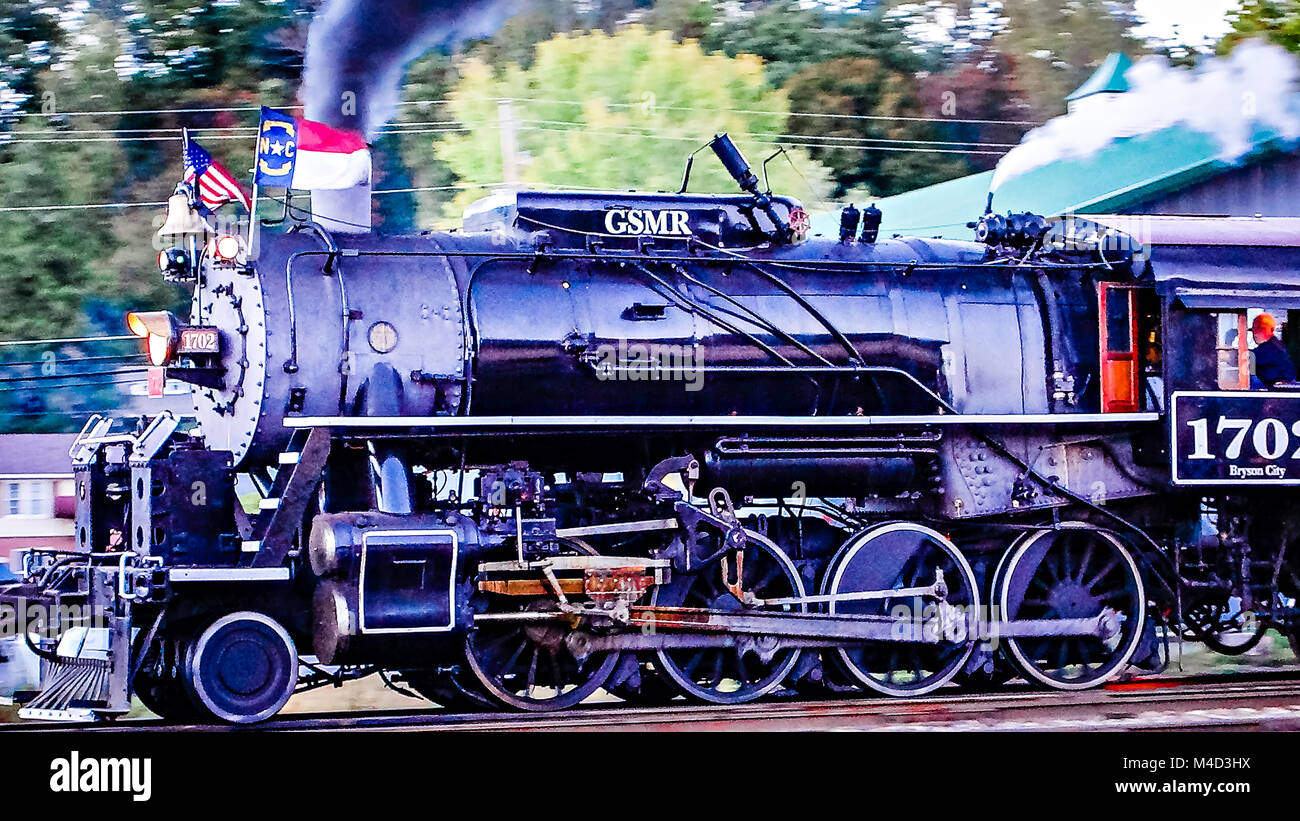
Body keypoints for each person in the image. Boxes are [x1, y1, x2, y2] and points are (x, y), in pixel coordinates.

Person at [1250, 313, 1297, 389]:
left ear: (1271, 330)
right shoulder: (1274, 345)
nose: (1255, 333)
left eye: (1260, 329)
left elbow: (1250, 358)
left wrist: (1230, 356)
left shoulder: (1271, 347)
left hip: (1279, 392)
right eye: (1254, 330)